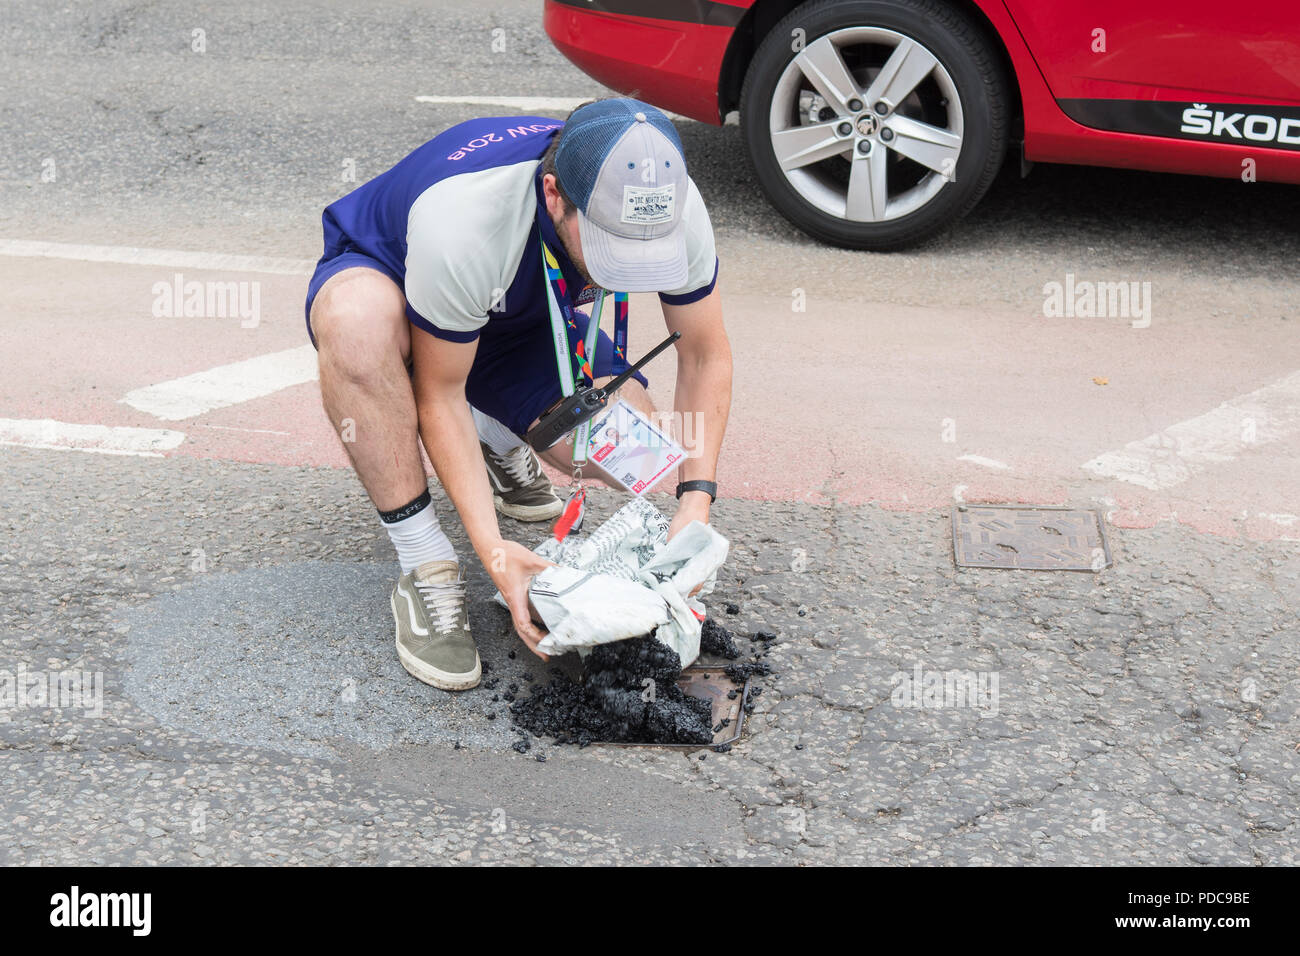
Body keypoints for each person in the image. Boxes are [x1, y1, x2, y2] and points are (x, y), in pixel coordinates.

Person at [304, 98, 732, 691]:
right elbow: (439, 393)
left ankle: (498, 435)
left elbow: (705, 354)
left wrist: (696, 499)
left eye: (645, 249)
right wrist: (494, 552)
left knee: (636, 450)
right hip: (399, 287)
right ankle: (423, 561)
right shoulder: (466, 218)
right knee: (357, 326)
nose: (630, 264)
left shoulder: (670, 202)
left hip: (527, 314)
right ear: (554, 194)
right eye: (614, 244)